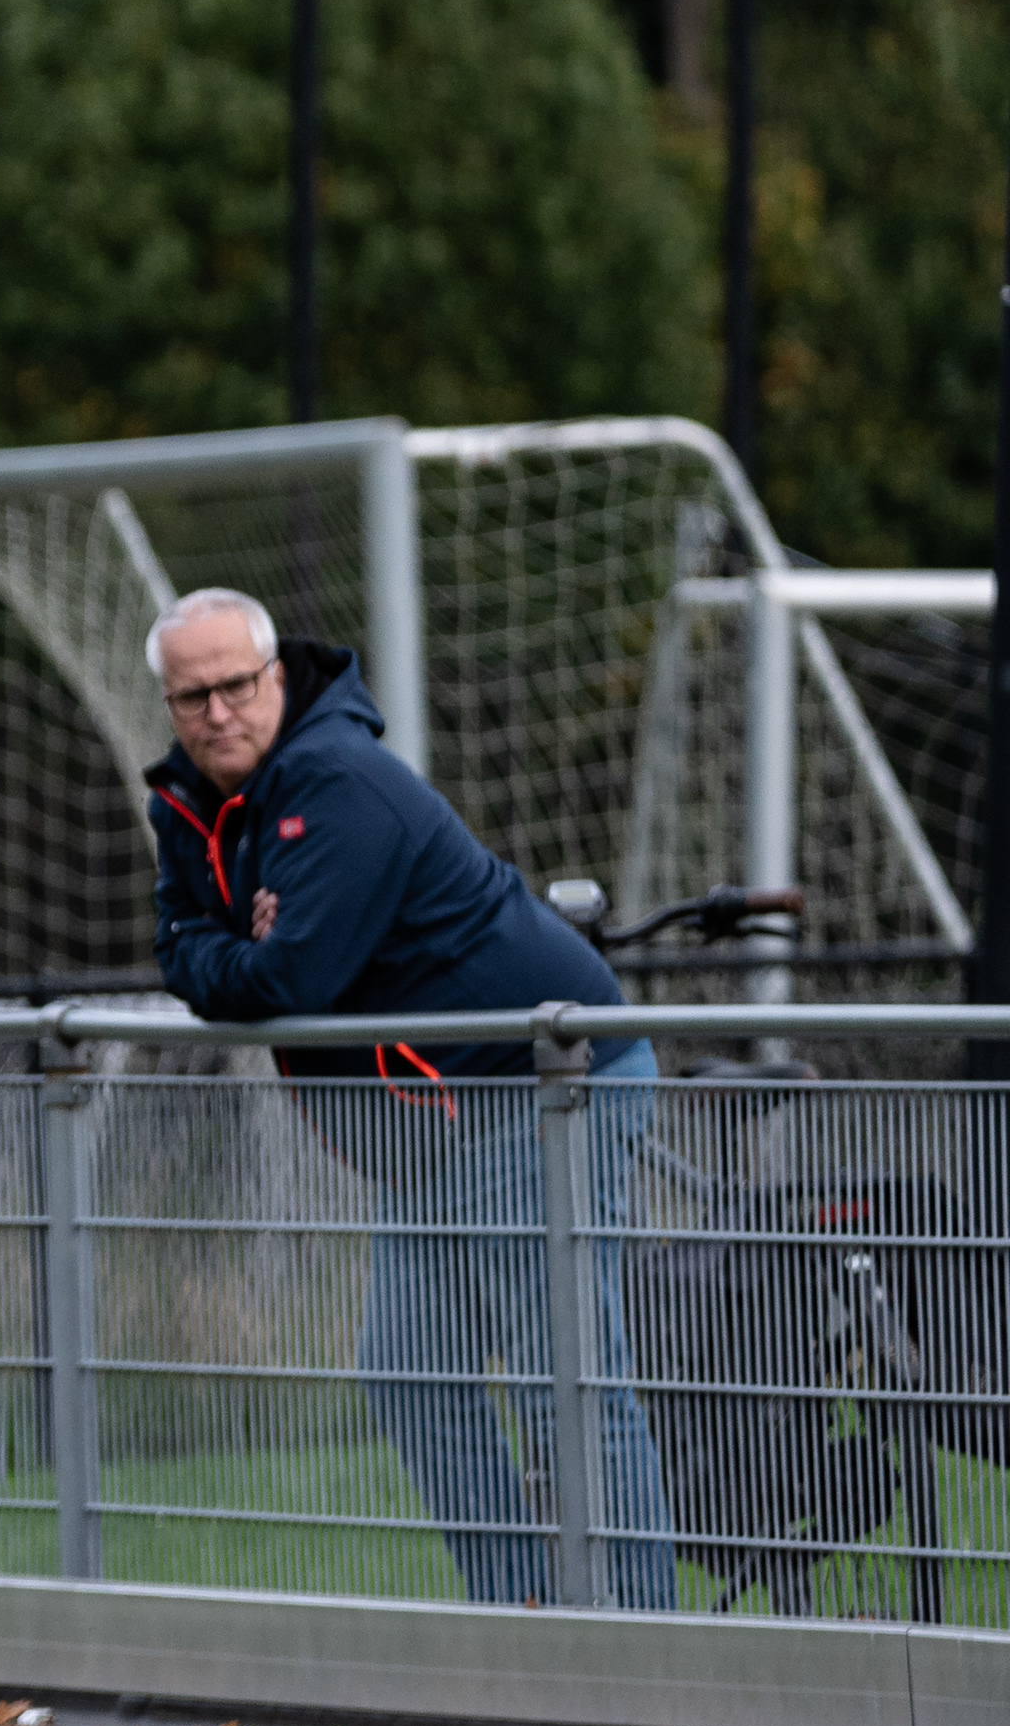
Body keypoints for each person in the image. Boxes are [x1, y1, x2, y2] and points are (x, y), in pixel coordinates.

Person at [140, 587, 672, 1609]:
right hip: (430, 1123)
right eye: (192, 696)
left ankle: (643, 1643)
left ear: (276, 676)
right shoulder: (188, 801)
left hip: (541, 1084)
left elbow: (293, 979)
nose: (218, 712)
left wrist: (248, 953)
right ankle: (521, 1614)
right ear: (170, 703)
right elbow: (178, 949)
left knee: (564, 1379)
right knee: (411, 1372)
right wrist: (245, 946)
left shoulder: (338, 779)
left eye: (236, 685)